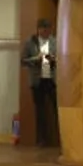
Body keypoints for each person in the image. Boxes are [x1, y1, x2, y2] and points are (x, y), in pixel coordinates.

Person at [22, 19, 58, 147]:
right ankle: (42, 139)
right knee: (40, 111)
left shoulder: (55, 41)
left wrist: (53, 59)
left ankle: (60, 138)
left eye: (48, 30)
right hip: (37, 81)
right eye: (44, 29)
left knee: (57, 109)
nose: (46, 32)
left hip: (52, 79)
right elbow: (23, 61)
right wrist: (35, 59)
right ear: (38, 29)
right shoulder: (30, 42)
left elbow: (62, 57)